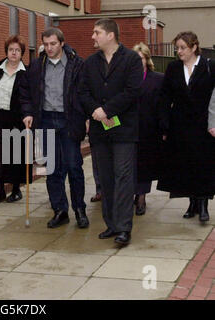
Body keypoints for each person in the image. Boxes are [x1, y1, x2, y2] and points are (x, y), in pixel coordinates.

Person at [79, 18, 143, 245]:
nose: (93, 37)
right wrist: (95, 110)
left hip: (124, 131)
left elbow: (133, 91)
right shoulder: (90, 63)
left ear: (110, 35)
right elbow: (83, 91)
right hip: (100, 132)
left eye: (97, 32)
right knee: (105, 179)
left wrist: (106, 109)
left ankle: (124, 228)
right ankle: (111, 224)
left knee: (123, 178)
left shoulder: (132, 60)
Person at [20, 27, 88, 229]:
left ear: (62, 43)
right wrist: (27, 113)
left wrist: (85, 117)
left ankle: (79, 209)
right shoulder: (36, 66)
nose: (49, 48)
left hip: (69, 121)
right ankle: (60, 210)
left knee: (74, 166)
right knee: (52, 169)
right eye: (46, 44)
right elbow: (25, 93)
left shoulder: (77, 65)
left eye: (53, 44)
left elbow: (84, 93)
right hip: (46, 120)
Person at [157, 31, 215, 222]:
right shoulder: (173, 68)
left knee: (203, 165)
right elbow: (165, 98)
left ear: (194, 48)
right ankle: (192, 203)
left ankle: (203, 204)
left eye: (183, 48)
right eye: (177, 48)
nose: (179, 51)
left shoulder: (209, 66)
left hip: (203, 126)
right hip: (180, 126)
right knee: (186, 165)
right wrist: (164, 125)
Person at [0, 35, 31, 204]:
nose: (14, 53)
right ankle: (0, 190)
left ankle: (16, 189)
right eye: (11, 50)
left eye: (17, 50)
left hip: (16, 120)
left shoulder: (26, 73)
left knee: (15, 155)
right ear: (6, 51)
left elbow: (30, 97)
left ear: (22, 53)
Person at [132, 42, 164, 216]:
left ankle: (141, 198)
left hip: (149, 130)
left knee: (144, 165)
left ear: (147, 59)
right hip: (129, 129)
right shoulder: (126, 79)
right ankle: (132, 194)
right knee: (130, 165)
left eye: (141, 59)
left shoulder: (158, 79)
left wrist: (163, 129)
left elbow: (162, 106)